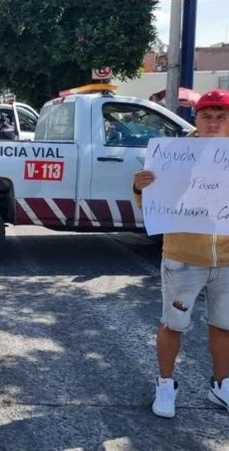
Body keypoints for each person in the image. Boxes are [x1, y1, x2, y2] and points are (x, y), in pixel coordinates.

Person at [133, 89, 229, 418]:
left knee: (224, 325)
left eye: (222, 116)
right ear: (196, 118)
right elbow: (151, 205)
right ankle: (166, 385)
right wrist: (139, 187)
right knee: (172, 324)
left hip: (228, 259)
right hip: (183, 257)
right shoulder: (173, 155)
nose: (214, 123)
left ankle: (221, 385)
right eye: (207, 115)